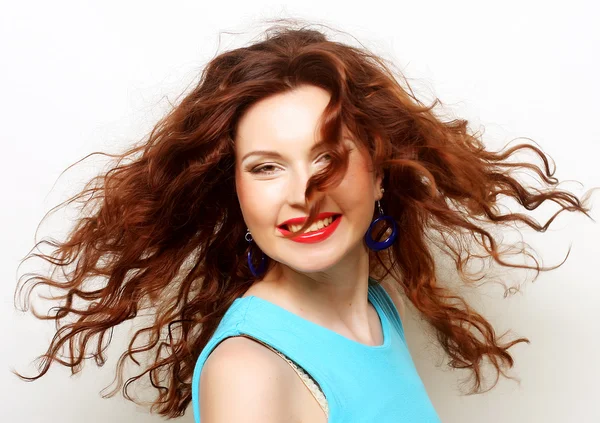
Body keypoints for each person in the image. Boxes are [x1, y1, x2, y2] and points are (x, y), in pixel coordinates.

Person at [12, 19, 596, 423]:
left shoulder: (374, 309)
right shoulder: (251, 372)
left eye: (328, 158)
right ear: (235, 192)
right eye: (266, 168)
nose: (302, 194)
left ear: (380, 170)